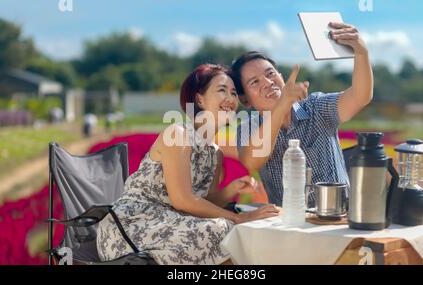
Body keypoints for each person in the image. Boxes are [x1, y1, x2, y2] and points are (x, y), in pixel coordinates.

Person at [96, 64, 279, 265]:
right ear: (199, 99)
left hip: (173, 223)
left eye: (234, 93)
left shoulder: (214, 152)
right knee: (221, 228)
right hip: (133, 225)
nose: (230, 98)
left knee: (231, 230)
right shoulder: (179, 134)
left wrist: (231, 189)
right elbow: (182, 200)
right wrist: (237, 218)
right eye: (221, 90)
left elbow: (205, 201)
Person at [232, 22, 373, 207]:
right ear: (246, 100)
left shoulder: (316, 107)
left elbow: (360, 96)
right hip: (285, 223)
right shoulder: (248, 128)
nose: (267, 82)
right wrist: (281, 107)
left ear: (281, 77)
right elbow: (250, 163)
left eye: (270, 74)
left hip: (337, 216)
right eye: (254, 82)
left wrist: (362, 53)